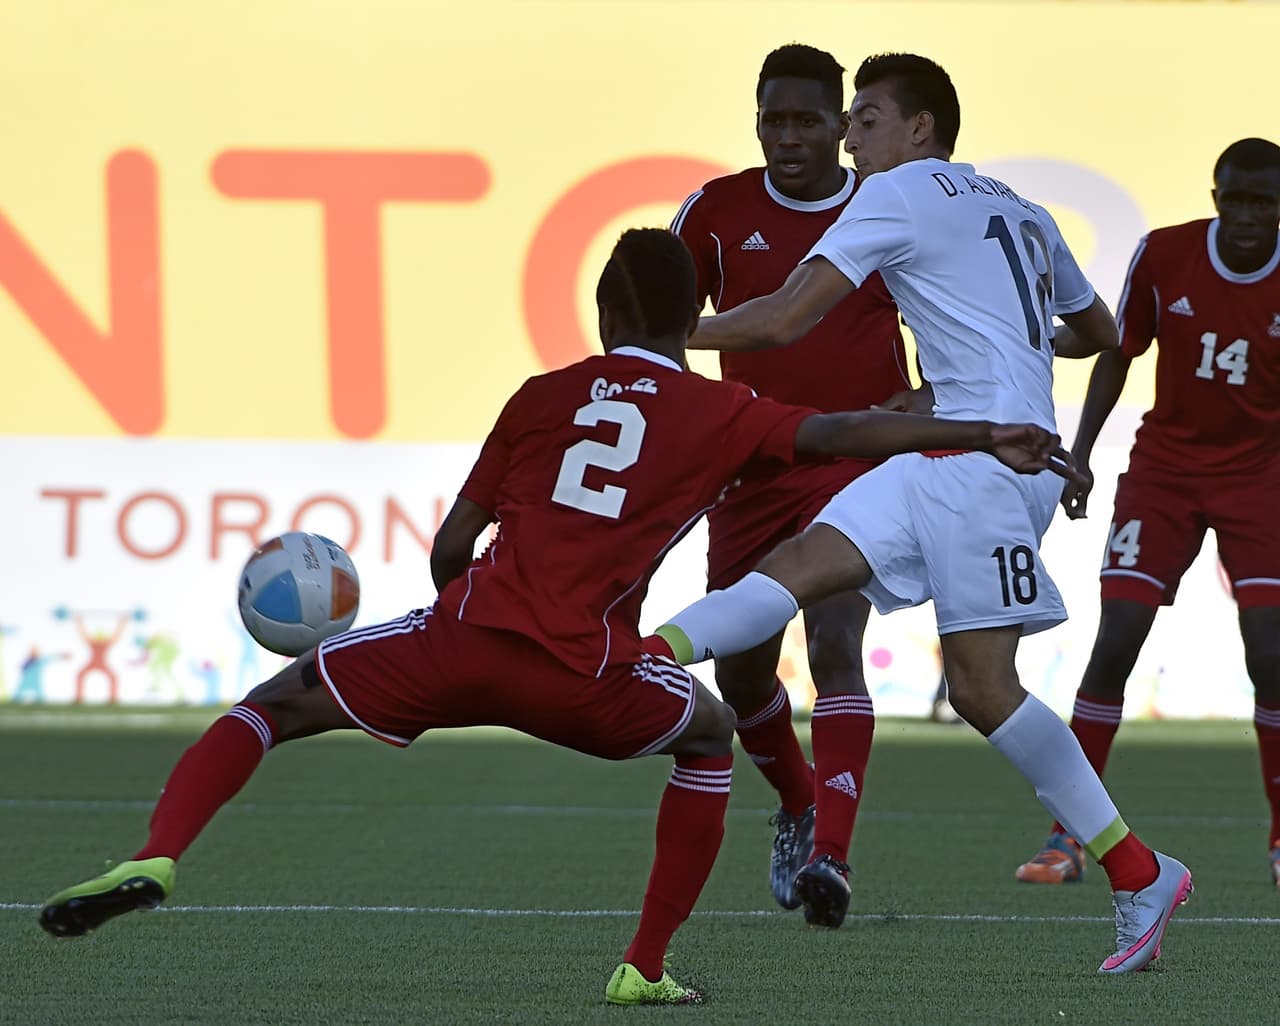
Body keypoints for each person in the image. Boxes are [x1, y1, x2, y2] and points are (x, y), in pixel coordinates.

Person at [37, 228, 1071, 1005]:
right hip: (588, 675)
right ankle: (644, 969)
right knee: (710, 735)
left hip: (461, 643)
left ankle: (159, 852)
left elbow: (451, 548)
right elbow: (842, 431)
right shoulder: (725, 412)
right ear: (691, 320)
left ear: (601, 315)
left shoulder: (541, 394)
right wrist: (982, 430)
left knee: (271, 706)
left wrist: (452, 634)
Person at [644, 53, 1193, 973]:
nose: (849, 137)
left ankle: (1141, 871)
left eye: (864, 119)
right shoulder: (1019, 208)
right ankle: (632, 657)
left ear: (919, 131)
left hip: (984, 467)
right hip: (950, 448)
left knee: (982, 689)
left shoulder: (893, 197)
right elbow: (1099, 334)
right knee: (788, 574)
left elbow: (781, 319)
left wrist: (662, 335)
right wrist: (1004, 353)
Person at [672, 43, 917, 911]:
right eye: (773, 119)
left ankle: (833, 859)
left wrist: (923, 403)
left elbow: (958, 321)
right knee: (740, 677)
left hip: (855, 463)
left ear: (841, 123)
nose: (788, 136)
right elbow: (664, 331)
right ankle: (798, 800)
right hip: (750, 465)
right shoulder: (713, 212)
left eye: (808, 120)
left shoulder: (890, 207)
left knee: (837, 643)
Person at [1014, 137, 1280, 889]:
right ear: (1216, 195)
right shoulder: (1164, 255)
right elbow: (1118, 351)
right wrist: (1083, 452)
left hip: (1261, 479)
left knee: (1273, 657)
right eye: (1238, 199)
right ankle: (1068, 835)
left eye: (1267, 203)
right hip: (1164, 474)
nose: (1251, 215)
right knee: (1117, 641)